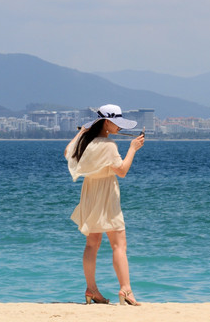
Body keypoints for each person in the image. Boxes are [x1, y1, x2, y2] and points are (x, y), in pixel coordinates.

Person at [64, 104, 144, 306]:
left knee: (92, 244)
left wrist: (83, 131)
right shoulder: (109, 146)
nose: (120, 127)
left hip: (90, 193)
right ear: (106, 122)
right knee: (119, 244)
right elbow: (122, 171)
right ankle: (125, 289)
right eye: (117, 123)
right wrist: (133, 149)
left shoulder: (87, 144)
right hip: (107, 194)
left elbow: (67, 151)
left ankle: (91, 289)